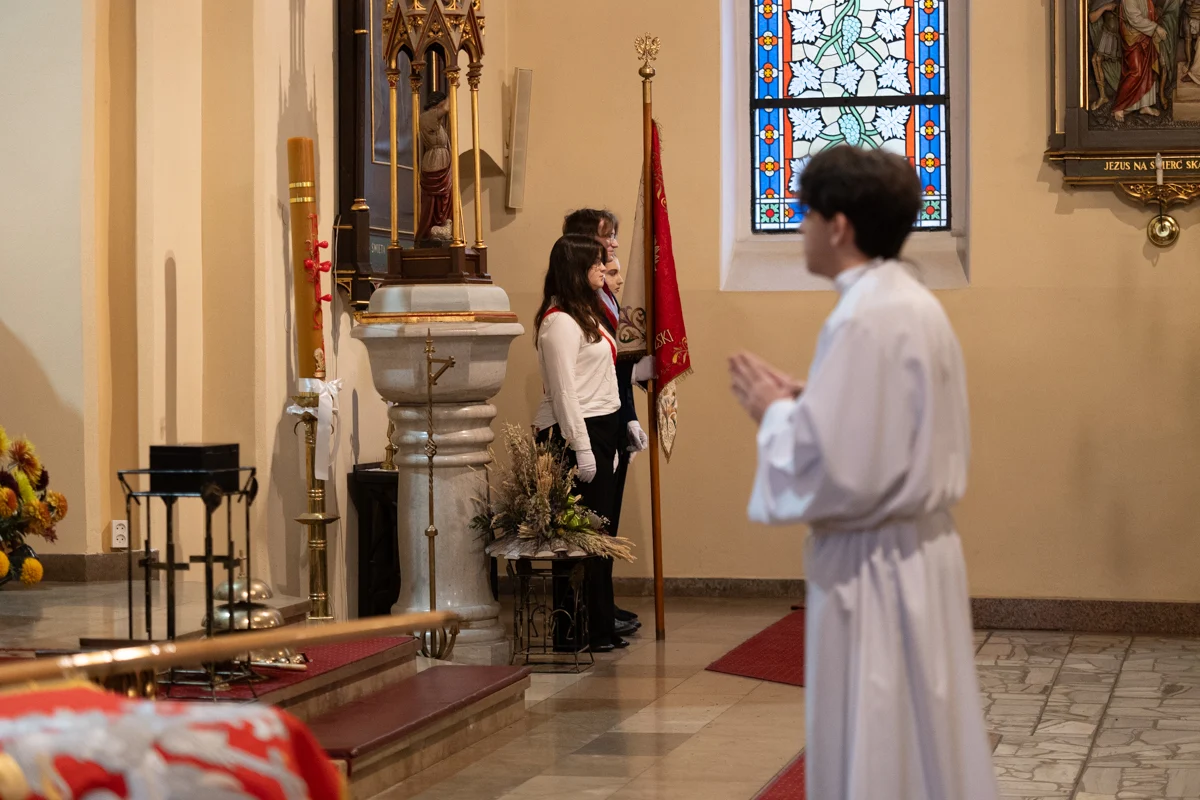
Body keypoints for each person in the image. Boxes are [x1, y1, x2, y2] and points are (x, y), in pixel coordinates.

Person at [728, 146, 999, 800]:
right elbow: (883, 431)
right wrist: (810, 402)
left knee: (879, 736)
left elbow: (843, 473)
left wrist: (773, 413)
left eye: (806, 212)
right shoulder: (907, 301)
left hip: (874, 570)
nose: (800, 226)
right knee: (922, 737)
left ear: (839, 226)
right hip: (914, 555)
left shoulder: (864, 316)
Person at [562, 209, 656, 637]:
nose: (614, 244)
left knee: (607, 524)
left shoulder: (604, 297)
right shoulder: (574, 304)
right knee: (591, 524)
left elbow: (617, 367)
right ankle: (588, 612)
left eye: (615, 236)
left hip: (612, 418)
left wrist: (630, 417)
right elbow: (588, 373)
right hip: (590, 422)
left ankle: (602, 605)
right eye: (607, 236)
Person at [533, 234, 625, 652]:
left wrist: (620, 432)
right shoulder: (558, 323)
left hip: (600, 428)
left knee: (599, 535)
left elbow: (602, 377)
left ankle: (599, 626)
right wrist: (581, 447)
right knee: (576, 537)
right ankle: (572, 632)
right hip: (574, 430)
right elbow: (565, 392)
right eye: (594, 263)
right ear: (574, 269)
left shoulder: (585, 314)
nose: (602, 269)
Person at [416, 91, 453, 244]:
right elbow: (446, 108)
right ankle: (431, 229)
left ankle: (443, 225)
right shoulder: (426, 117)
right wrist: (453, 87)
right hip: (434, 162)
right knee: (435, 199)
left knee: (445, 197)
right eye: (442, 103)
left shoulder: (439, 121)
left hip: (443, 161)